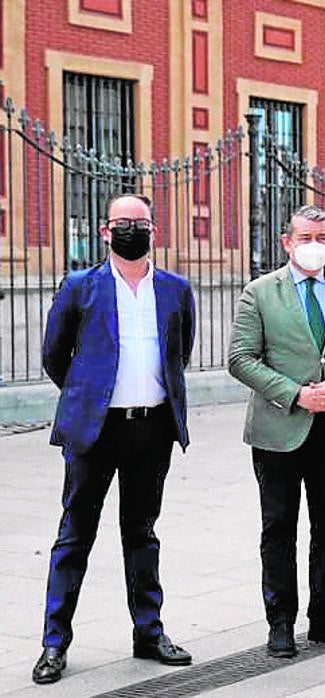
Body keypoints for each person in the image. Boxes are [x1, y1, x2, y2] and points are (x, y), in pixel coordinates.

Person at [34, 193, 196, 685]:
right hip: (94, 431)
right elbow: (54, 355)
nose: (132, 229)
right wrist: (90, 393)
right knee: (74, 536)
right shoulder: (81, 286)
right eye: (123, 222)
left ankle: (148, 631)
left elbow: (179, 354)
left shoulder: (174, 289)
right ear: (106, 231)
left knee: (142, 533)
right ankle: (54, 643)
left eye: (140, 221)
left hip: (151, 429)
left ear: (154, 229)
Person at [228, 205, 325, 658]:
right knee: (278, 528)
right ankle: (280, 623)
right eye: (305, 237)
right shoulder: (260, 292)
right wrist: (296, 394)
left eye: (321, 237)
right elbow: (240, 358)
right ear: (286, 242)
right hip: (280, 429)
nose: (314, 245)